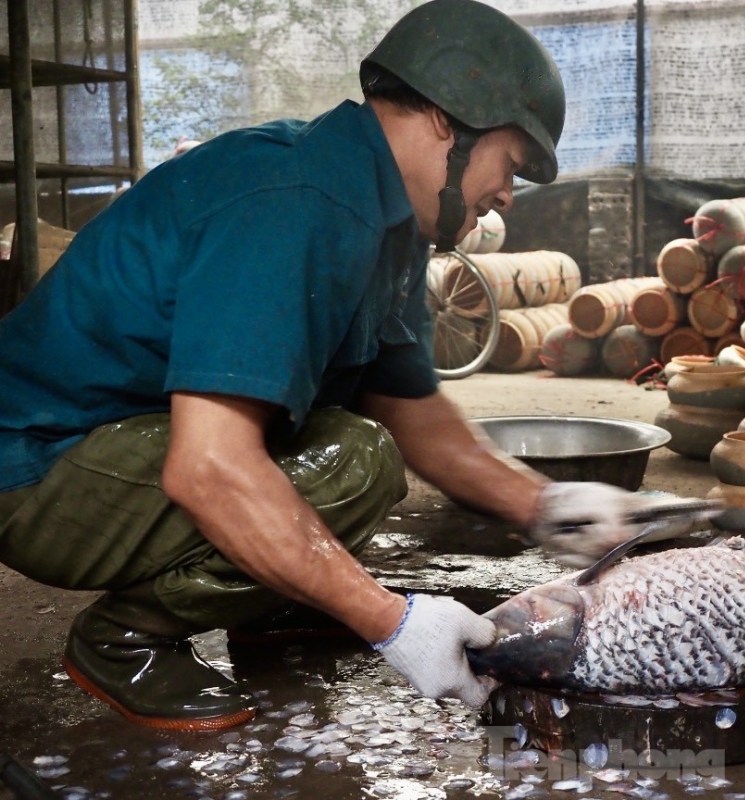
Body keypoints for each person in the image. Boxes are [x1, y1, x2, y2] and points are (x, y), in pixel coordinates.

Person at [0, 0, 701, 731]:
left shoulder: (390, 224)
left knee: (363, 442)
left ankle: (268, 592)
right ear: (447, 120)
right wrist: (391, 622)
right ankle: (126, 640)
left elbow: (416, 412)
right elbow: (208, 466)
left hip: (122, 443)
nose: (505, 197)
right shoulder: (297, 200)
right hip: (35, 468)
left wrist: (552, 508)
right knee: (352, 461)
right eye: (511, 166)